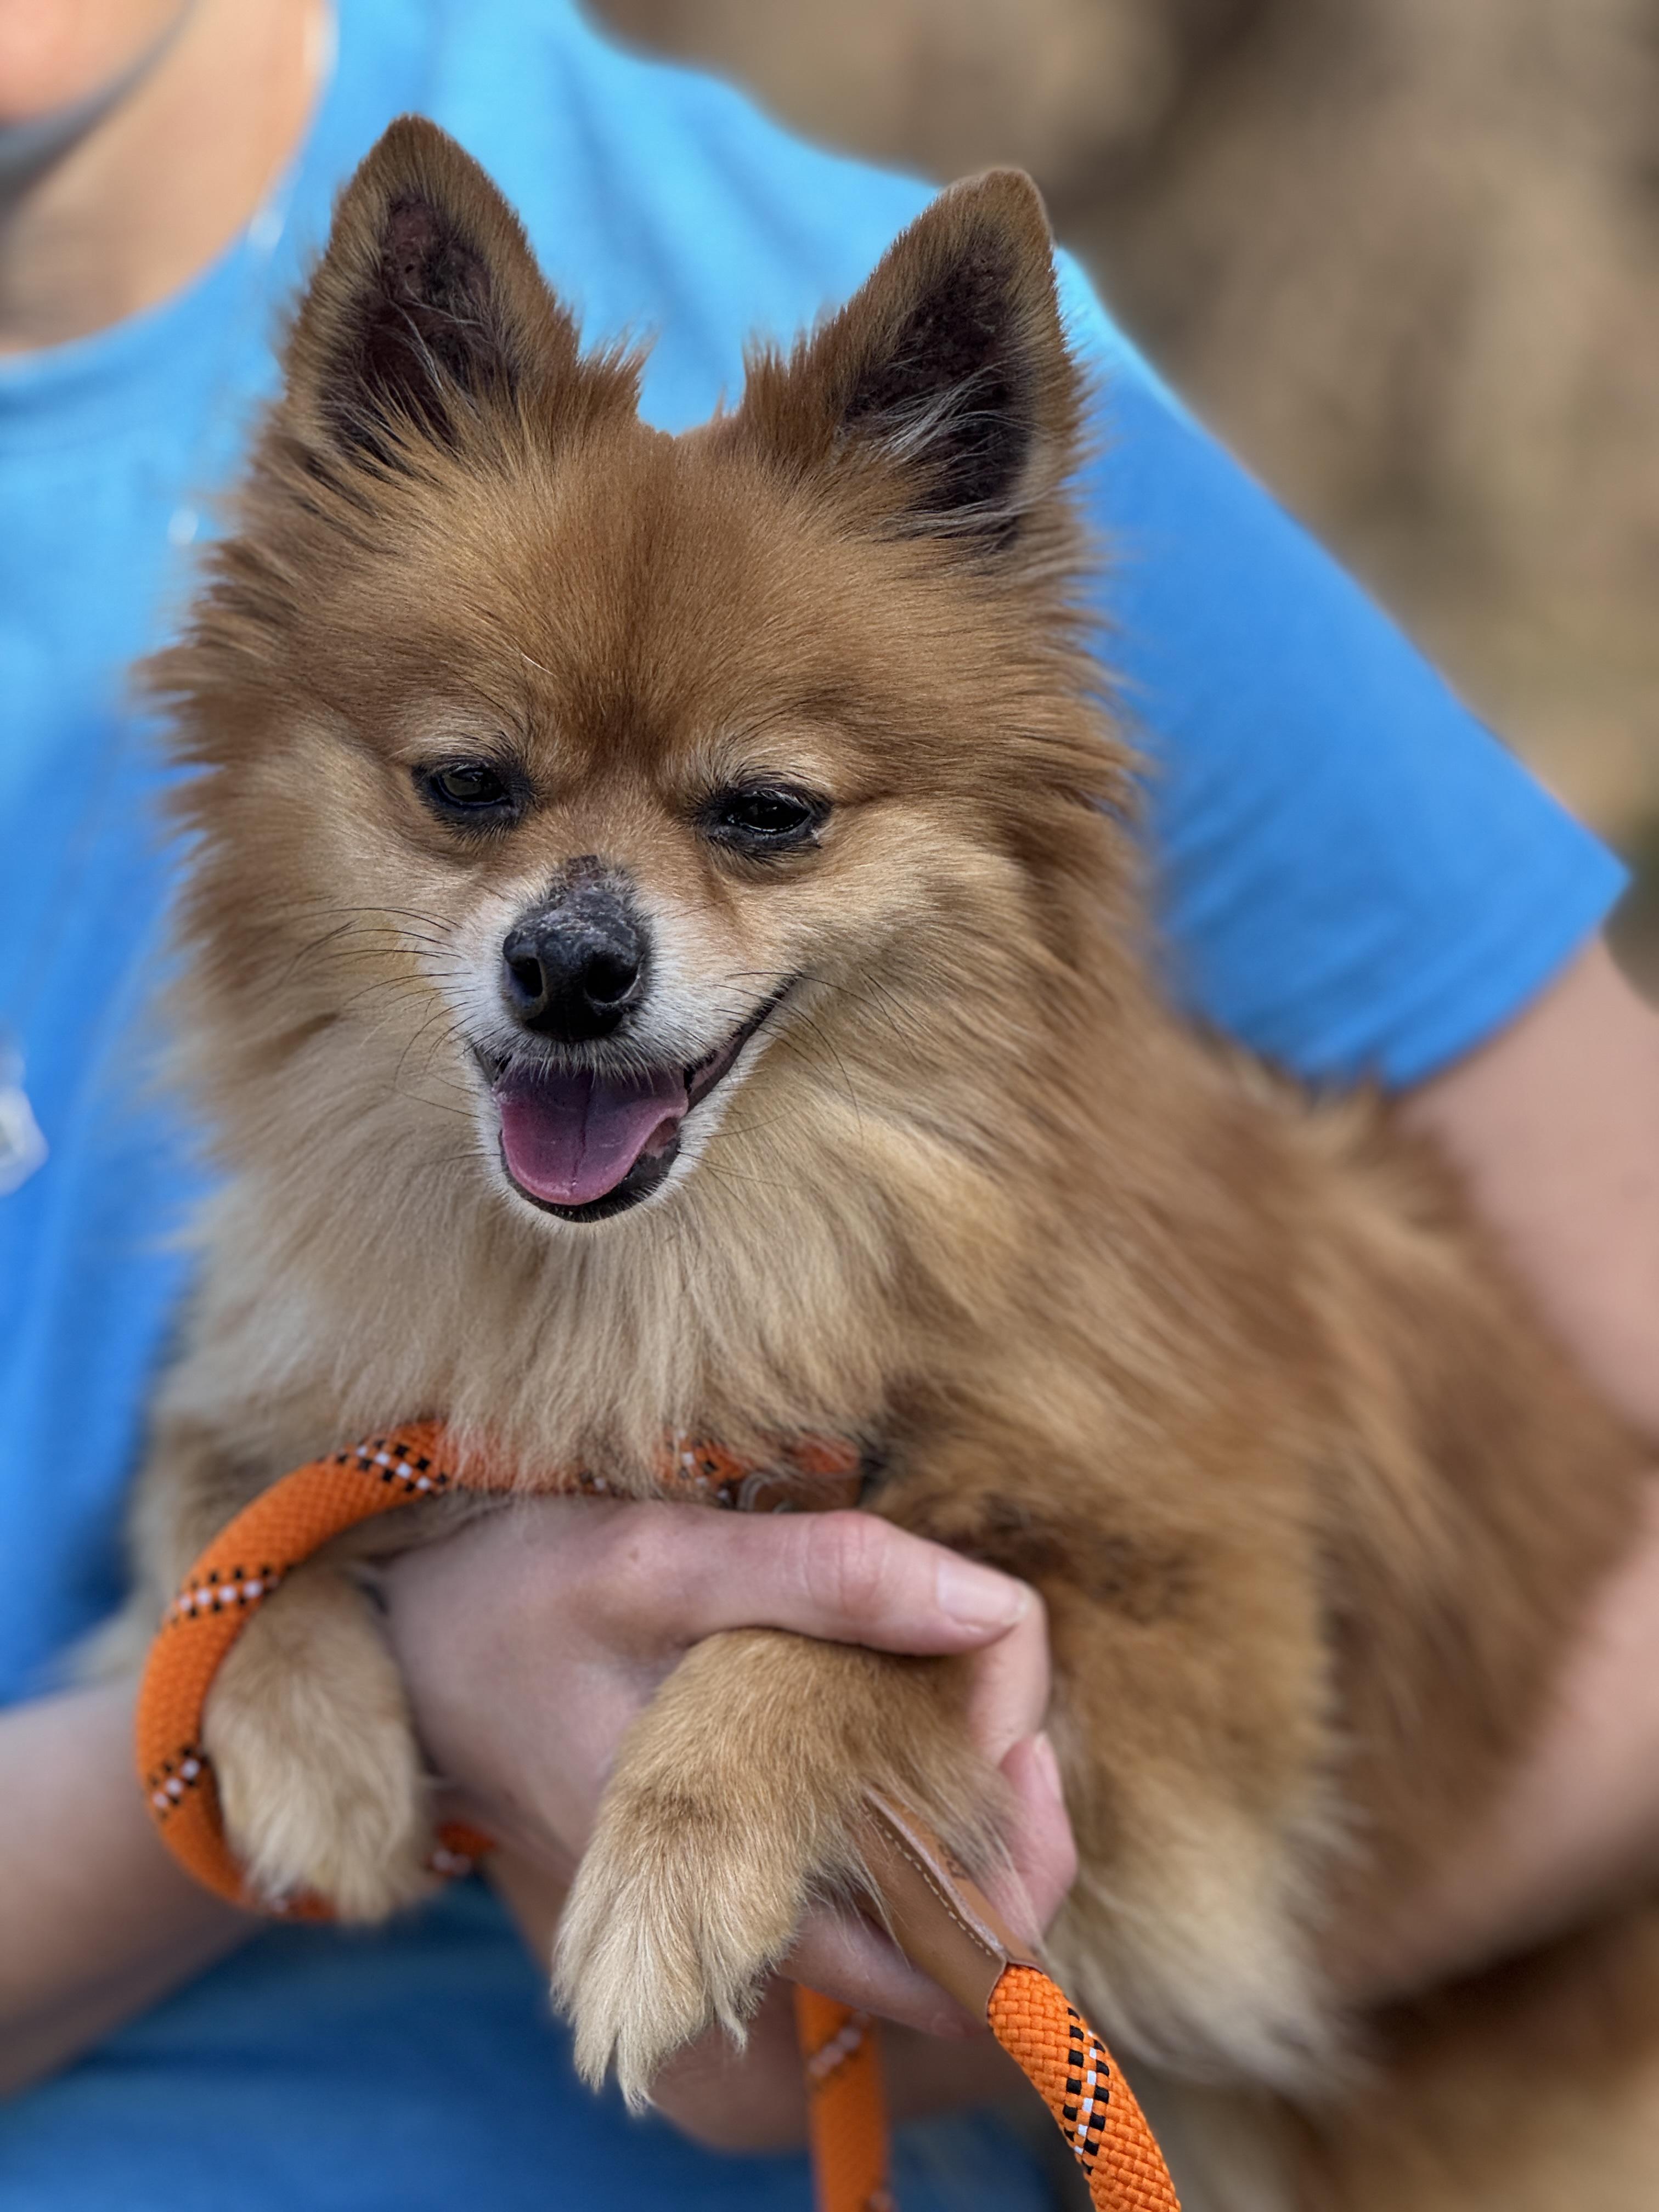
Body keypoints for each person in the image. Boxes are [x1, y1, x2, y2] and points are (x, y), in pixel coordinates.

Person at [2, 2, 1656, 2207]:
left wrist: (854, 1764)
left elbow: (1233, 1739)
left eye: (765, 818)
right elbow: (283, 1469)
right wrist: (327, 1650)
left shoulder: (836, 290)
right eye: (471, 796)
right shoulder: (319, 1237)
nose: (579, 924)